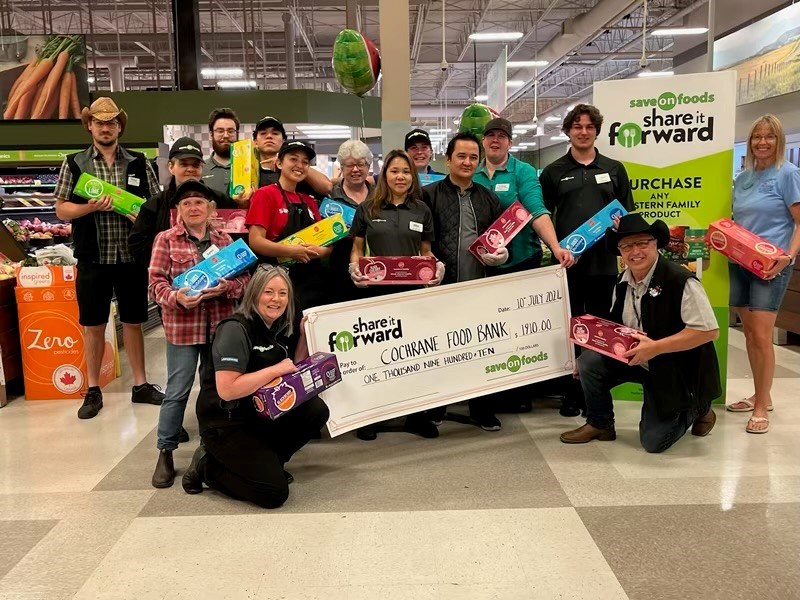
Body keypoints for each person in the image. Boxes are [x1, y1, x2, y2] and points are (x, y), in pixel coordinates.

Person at [560, 213, 720, 453]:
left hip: (674, 367)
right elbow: (615, 326)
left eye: (642, 243)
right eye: (626, 245)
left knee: (653, 443)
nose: (634, 251)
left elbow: (708, 332)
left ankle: (698, 407)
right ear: (620, 251)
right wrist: (590, 349)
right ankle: (600, 423)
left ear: (655, 244)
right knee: (588, 362)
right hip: (637, 359)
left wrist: (655, 348)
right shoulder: (621, 282)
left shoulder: (681, 280)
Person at [181, 266, 329, 508]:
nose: (276, 299)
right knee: (273, 494)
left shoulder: (279, 327)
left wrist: (303, 336)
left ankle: (271, 463)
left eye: (283, 294)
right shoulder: (235, 329)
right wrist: (275, 369)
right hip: (227, 422)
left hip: (259, 413)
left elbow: (292, 370)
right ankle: (207, 466)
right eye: (268, 292)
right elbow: (227, 389)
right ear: (254, 294)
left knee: (315, 410)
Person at [54, 97, 164, 419]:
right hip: (92, 257)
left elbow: (155, 207)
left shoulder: (139, 162)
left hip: (131, 257)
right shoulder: (74, 163)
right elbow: (61, 209)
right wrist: (90, 207)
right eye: (99, 123)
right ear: (90, 126)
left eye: (111, 122)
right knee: (93, 324)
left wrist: (139, 217)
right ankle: (92, 389)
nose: (105, 128)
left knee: (134, 321)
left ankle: (141, 384)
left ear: (119, 126)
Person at [148, 180, 249, 488]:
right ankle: (165, 451)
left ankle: (211, 447)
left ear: (210, 209)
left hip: (219, 325)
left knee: (214, 389)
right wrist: (176, 298)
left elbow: (244, 278)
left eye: (199, 202)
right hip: (182, 328)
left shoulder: (225, 238)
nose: (194, 207)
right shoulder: (165, 240)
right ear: (178, 210)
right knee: (177, 390)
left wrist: (227, 287)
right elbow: (155, 284)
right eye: (187, 203)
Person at [539, 103, 635, 417]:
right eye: (577, 126)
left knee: (599, 329)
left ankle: (592, 393)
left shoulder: (615, 168)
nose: (583, 132)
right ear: (568, 131)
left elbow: (626, 215)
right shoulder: (554, 172)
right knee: (568, 328)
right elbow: (543, 217)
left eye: (589, 127)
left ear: (596, 130)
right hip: (568, 265)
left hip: (604, 266)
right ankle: (571, 391)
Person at [348, 149, 444, 441]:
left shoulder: (421, 210)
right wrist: (354, 268)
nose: (400, 176)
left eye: (405, 171)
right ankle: (371, 416)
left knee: (413, 354)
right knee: (376, 356)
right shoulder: (367, 209)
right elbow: (357, 248)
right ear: (383, 175)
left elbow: (425, 251)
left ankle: (416, 416)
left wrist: (434, 268)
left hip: (412, 293)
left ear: (412, 176)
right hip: (375, 293)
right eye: (394, 171)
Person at [422, 132, 509, 431]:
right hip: (441, 288)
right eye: (461, 156)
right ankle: (436, 407)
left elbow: (500, 238)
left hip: (479, 288)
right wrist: (430, 264)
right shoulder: (428, 195)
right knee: (439, 349)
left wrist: (502, 255)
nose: (467, 162)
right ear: (448, 159)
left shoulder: (488, 198)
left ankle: (481, 409)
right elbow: (421, 240)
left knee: (481, 350)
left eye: (473, 157)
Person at [725, 114, 800, 434]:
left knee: (760, 335)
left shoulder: (788, 174)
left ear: (779, 140)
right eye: (757, 136)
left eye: (769, 136)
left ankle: (760, 407)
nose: (762, 142)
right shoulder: (742, 179)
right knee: (749, 333)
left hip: (772, 266)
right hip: (740, 262)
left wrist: (788, 256)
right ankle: (761, 394)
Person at [474, 118, 573, 273]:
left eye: (502, 136)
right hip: (482, 262)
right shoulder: (473, 175)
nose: (495, 140)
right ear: (483, 141)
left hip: (522, 261)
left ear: (510, 143)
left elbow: (537, 211)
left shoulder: (523, 171)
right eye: (490, 135)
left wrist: (555, 247)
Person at [246, 140, 333, 317]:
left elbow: (327, 245)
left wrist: (321, 251)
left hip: (310, 284)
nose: (299, 165)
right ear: (279, 163)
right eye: (293, 159)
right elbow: (255, 241)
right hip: (275, 280)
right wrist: (291, 251)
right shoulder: (265, 194)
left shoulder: (310, 201)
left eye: (305, 162)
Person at [130, 137, 235, 267]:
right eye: (184, 164)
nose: (190, 169)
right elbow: (137, 244)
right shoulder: (154, 205)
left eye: (195, 165)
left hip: (216, 275)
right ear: (171, 167)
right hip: (170, 280)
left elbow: (236, 236)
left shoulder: (220, 200)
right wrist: (166, 261)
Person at [329, 140, 375, 302]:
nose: (355, 169)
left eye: (361, 164)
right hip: (340, 269)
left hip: (376, 268)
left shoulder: (380, 196)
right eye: (349, 165)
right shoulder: (330, 196)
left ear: (368, 167)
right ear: (341, 168)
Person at [253, 116, 332, 197]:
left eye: (275, 133)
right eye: (263, 133)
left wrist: (291, 164)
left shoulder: (295, 170)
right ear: (255, 141)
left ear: (283, 140)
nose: (269, 136)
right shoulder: (249, 170)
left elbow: (327, 187)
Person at [201, 107, 239, 200]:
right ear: (211, 135)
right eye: (220, 131)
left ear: (237, 134)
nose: (226, 135)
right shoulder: (200, 169)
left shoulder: (249, 167)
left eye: (231, 131)